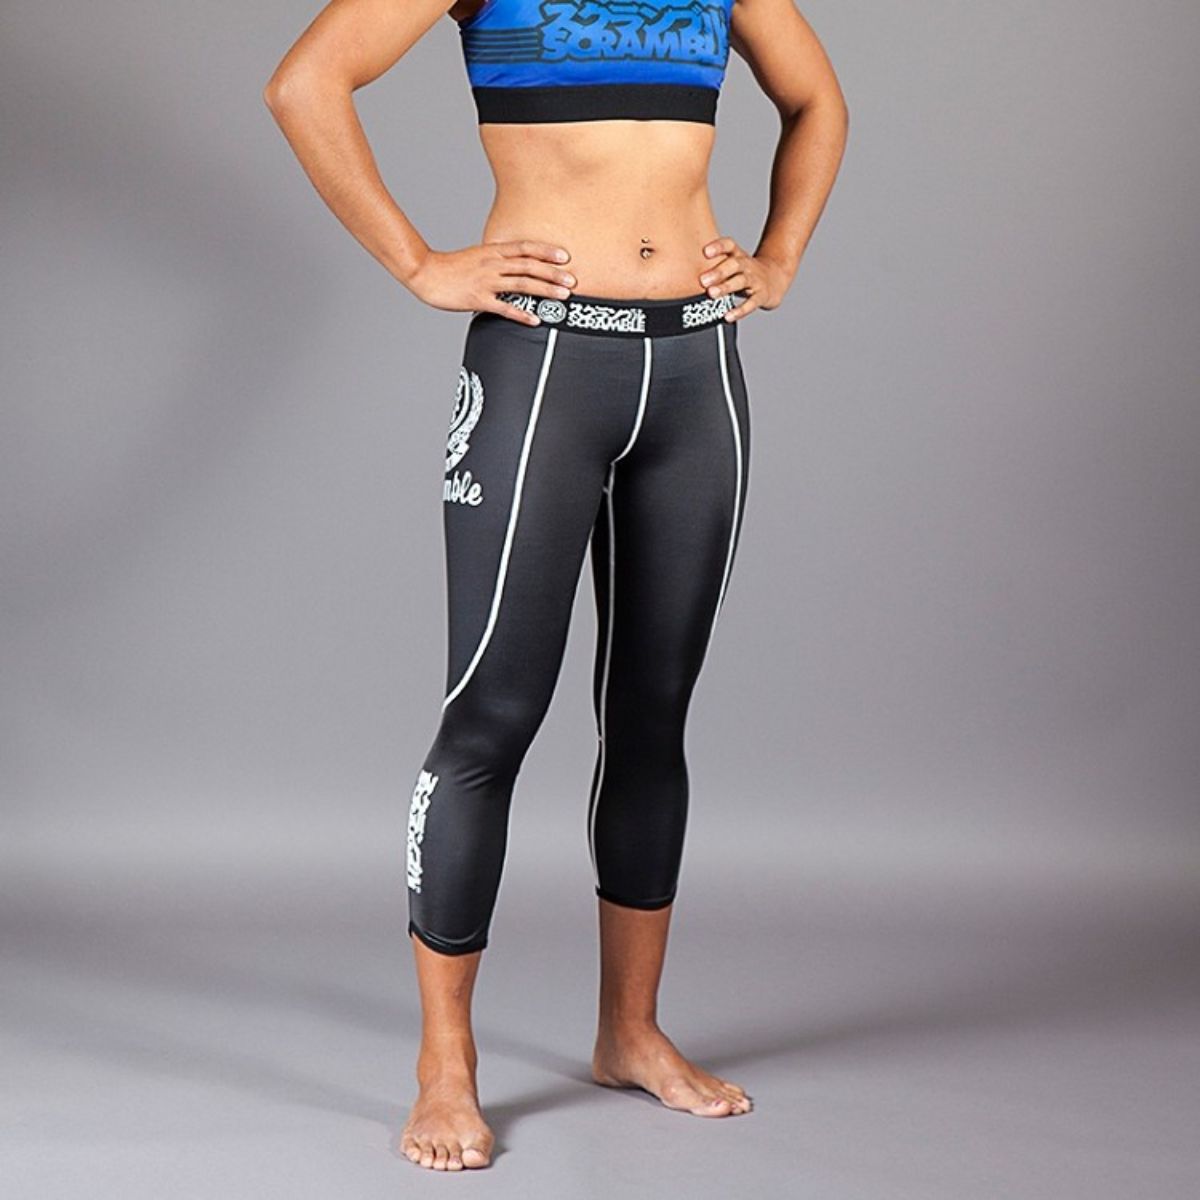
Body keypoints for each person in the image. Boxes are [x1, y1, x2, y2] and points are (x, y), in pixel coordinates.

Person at [264, 0, 848, 1171]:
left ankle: (630, 1033)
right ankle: (445, 1067)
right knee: (490, 719)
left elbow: (815, 101)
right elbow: (304, 84)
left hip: (698, 367)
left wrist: (780, 256)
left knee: (651, 718)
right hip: (542, 362)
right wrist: (419, 263)